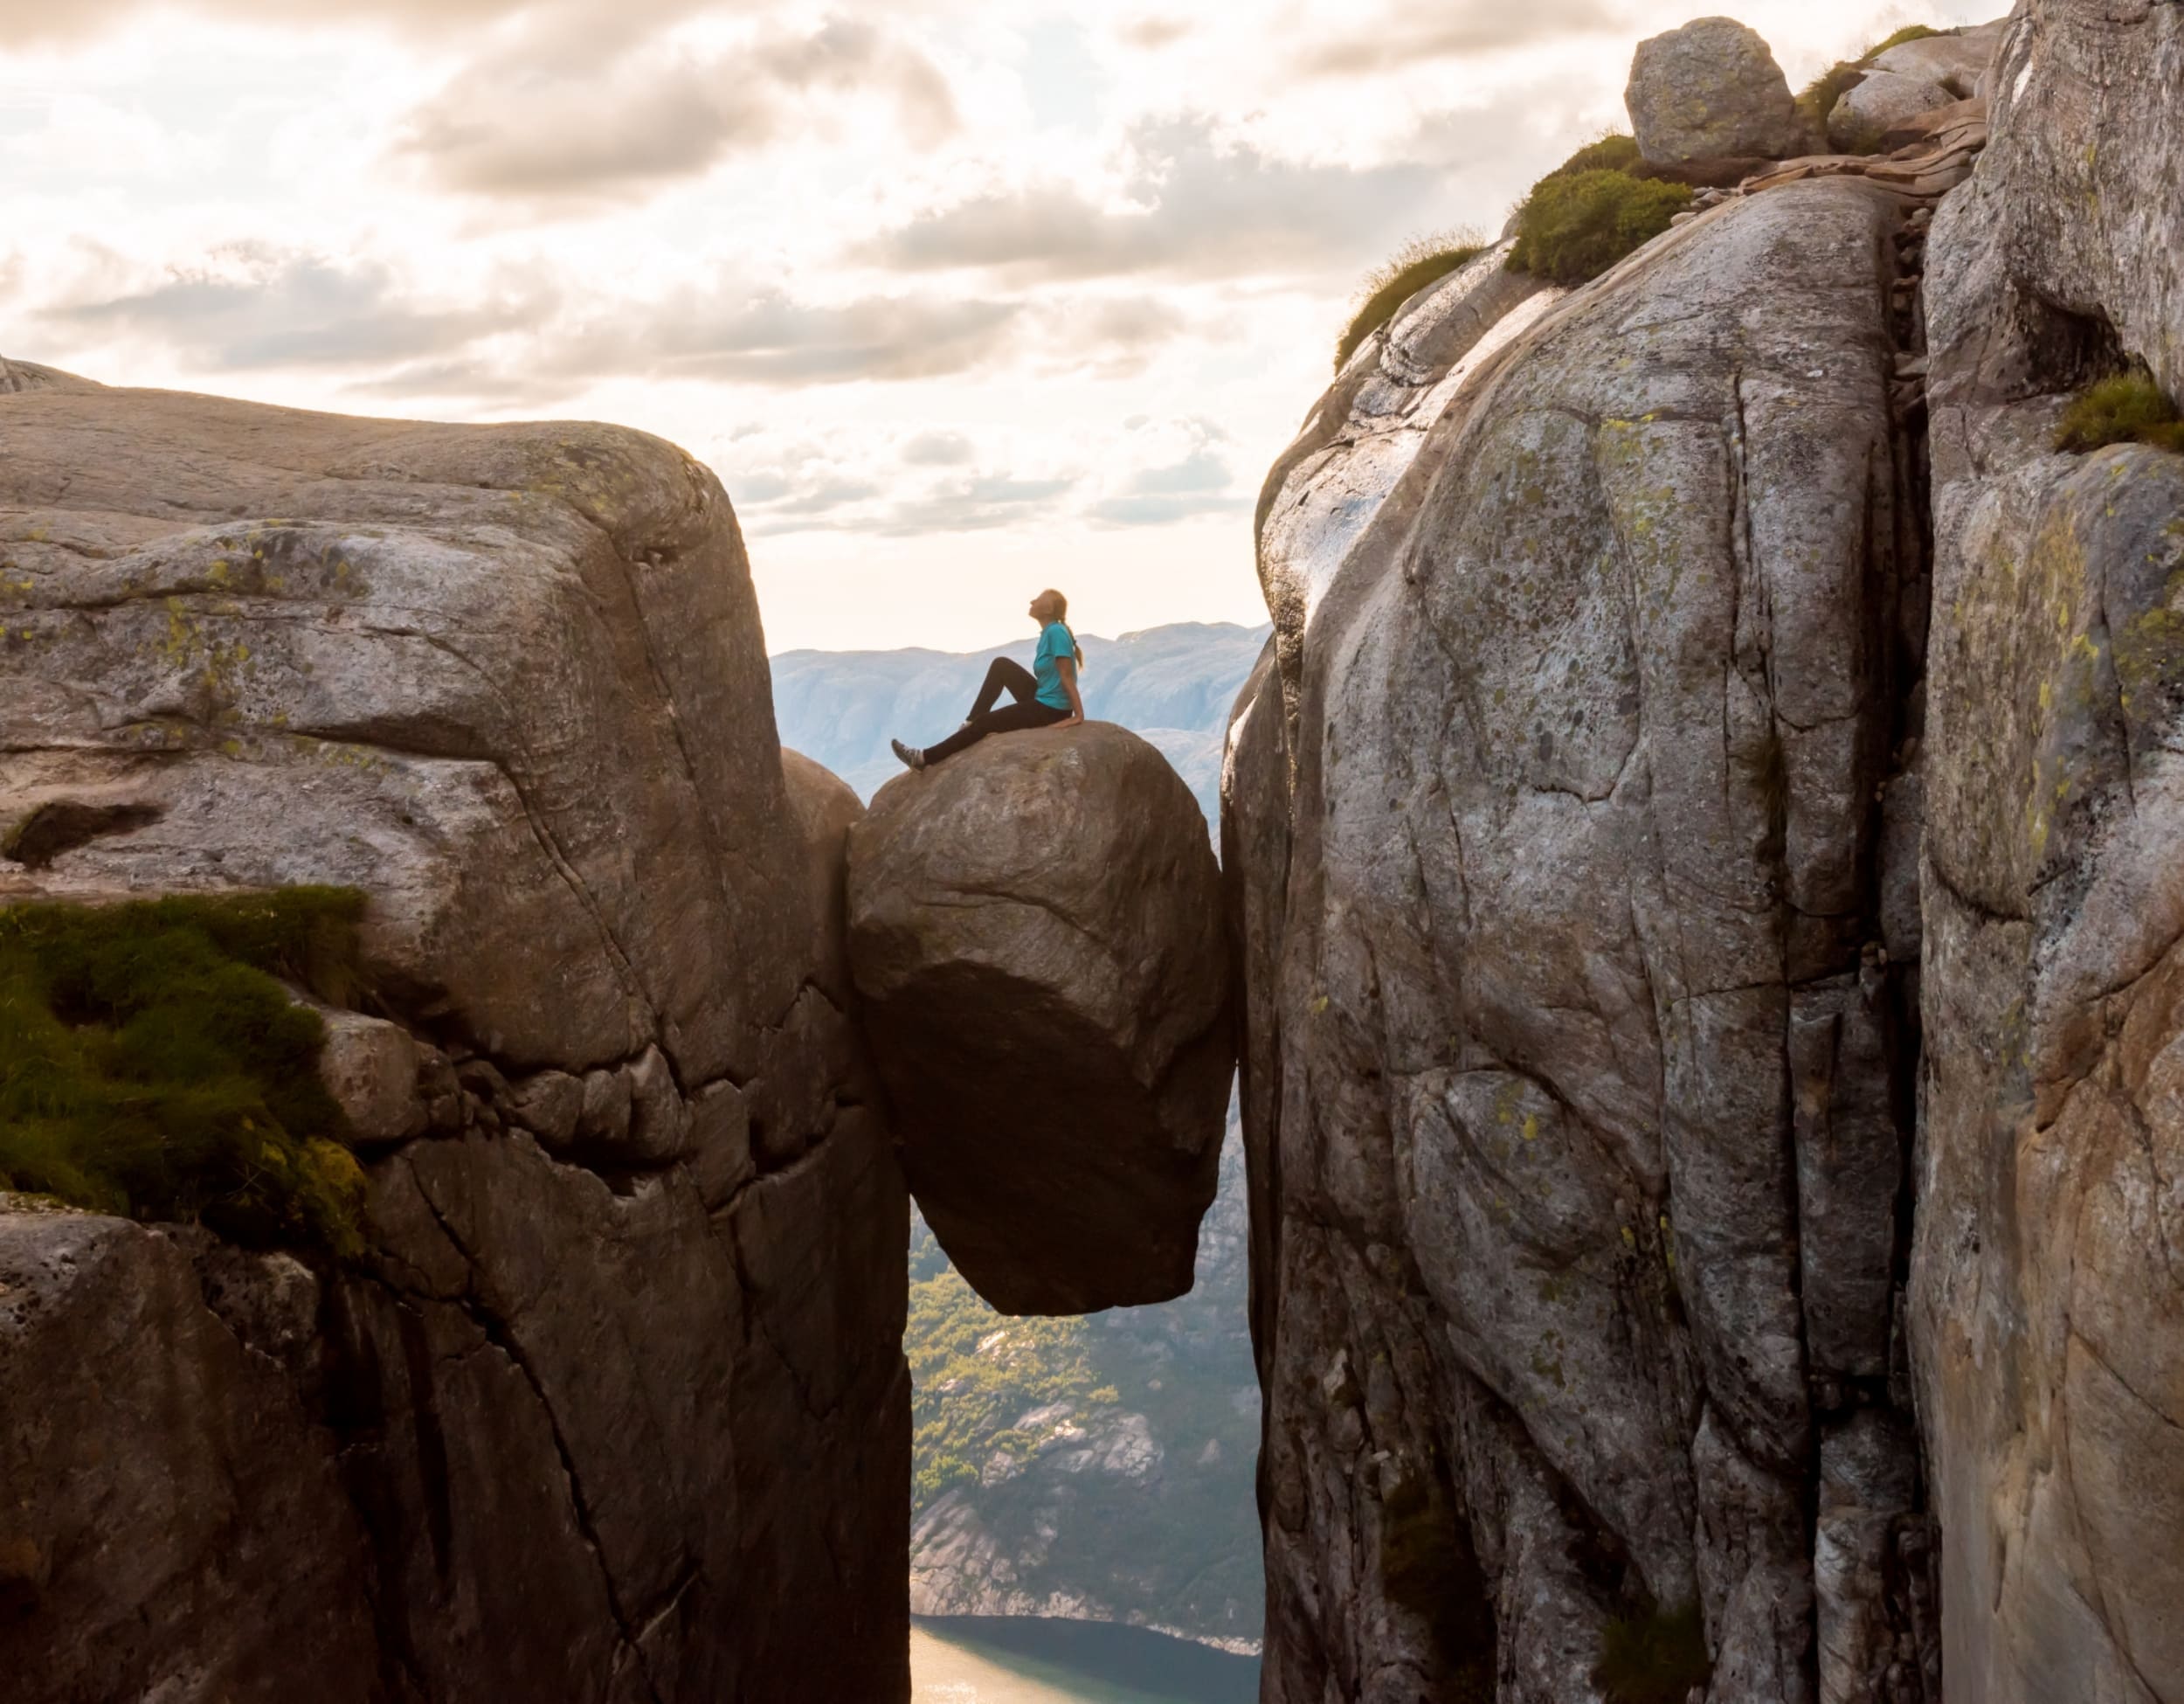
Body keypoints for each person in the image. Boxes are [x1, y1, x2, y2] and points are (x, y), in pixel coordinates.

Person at [892, 589, 1085, 770]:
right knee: (1001, 665)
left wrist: (1077, 716)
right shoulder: (1049, 632)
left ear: (1049, 609)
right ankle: (970, 723)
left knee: (986, 724)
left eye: (1039, 599)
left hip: (1051, 709)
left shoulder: (1056, 632)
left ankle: (923, 758)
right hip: (1043, 698)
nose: (1032, 601)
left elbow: (1066, 675)